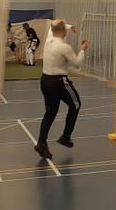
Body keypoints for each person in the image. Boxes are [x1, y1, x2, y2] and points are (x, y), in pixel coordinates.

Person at [35, 19, 89, 160]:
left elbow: (55, 23)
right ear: (63, 31)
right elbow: (77, 63)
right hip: (59, 82)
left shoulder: (49, 39)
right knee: (75, 105)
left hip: (45, 80)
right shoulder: (64, 47)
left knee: (50, 112)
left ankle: (41, 143)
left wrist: (70, 26)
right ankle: (65, 137)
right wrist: (83, 48)